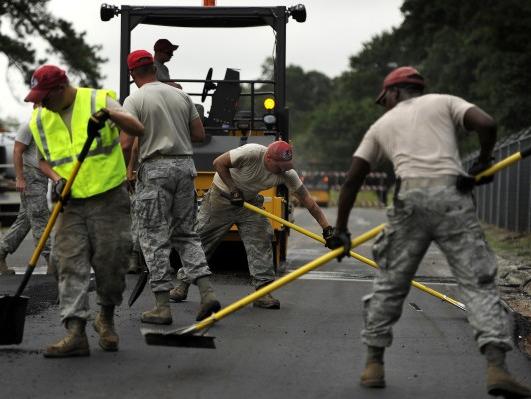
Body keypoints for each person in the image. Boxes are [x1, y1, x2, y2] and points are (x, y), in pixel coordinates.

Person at [327, 66, 531, 397]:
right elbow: (488, 124)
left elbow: (352, 179)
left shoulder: (381, 125)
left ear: (393, 92)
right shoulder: (446, 102)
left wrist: (341, 231)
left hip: (410, 200)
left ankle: (373, 365)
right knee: (477, 283)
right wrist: (482, 160)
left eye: (386, 99)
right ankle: (497, 368)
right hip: (453, 198)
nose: (386, 105)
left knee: (391, 283)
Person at [24, 64, 144, 357]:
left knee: (111, 262)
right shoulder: (41, 117)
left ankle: (105, 317)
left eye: (43, 96)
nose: (39, 103)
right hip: (71, 201)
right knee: (68, 263)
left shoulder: (97, 100)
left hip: (109, 197)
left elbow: (137, 128)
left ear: (60, 90)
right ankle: (75, 332)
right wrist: (56, 177)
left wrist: (110, 115)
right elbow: (40, 159)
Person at [170, 140, 334, 309]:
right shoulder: (251, 153)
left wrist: (327, 229)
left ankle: (263, 293)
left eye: (287, 166)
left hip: (249, 202)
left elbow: (308, 201)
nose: (283, 170)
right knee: (202, 241)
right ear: (268, 158)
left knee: (262, 238)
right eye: (280, 166)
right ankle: (182, 284)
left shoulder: (287, 173)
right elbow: (219, 163)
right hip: (221, 199)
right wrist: (233, 189)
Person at [121, 49, 220, 324]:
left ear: (132, 74)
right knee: (187, 234)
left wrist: (127, 170)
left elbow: (127, 143)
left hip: (155, 170)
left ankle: (162, 307)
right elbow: (199, 135)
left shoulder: (135, 99)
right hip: (185, 166)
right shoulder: (181, 95)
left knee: (154, 237)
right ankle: (207, 292)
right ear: (154, 68)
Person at [0, 117, 53, 276]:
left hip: (40, 177)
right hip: (31, 176)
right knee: (40, 217)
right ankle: (52, 260)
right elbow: (17, 150)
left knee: (25, 220)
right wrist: (20, 177)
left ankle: (1, 251)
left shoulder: (49, 124)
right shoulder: (29, 125)